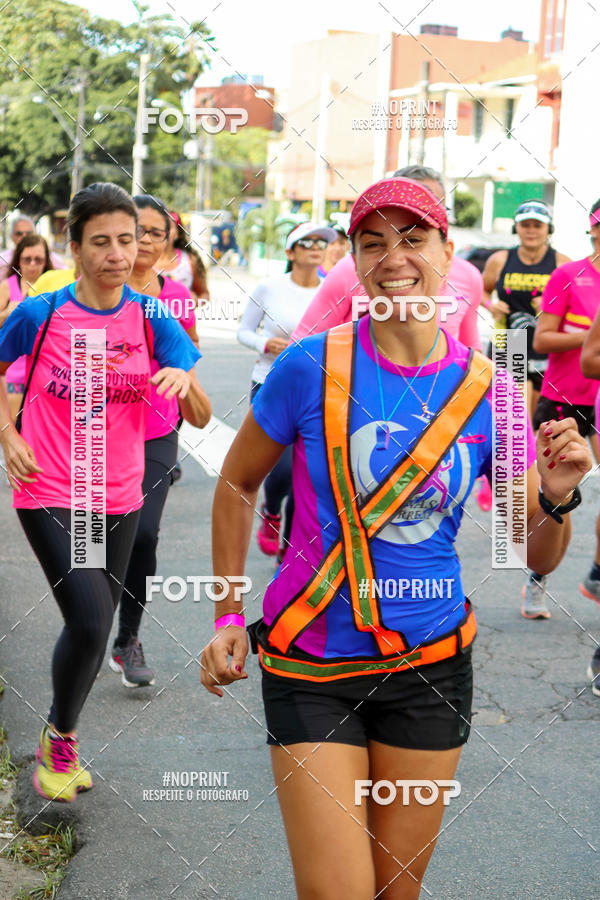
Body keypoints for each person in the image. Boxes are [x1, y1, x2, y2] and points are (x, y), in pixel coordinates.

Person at [201, 177, 591, 898]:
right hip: (311, 663)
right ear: (354, 261)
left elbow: (530, 550)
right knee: (339, 893)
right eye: (372, 243)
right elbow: (236, 482)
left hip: (431, 667)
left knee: (395, 891)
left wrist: (555, 496)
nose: (394, 258)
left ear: (448, 253)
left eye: (413, 239)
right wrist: (228, 612)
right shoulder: (309, 366)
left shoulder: (495, 392)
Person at [0, 182, 210, 803]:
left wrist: (181, 378)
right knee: (91, 620)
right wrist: (7, 433)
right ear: (74, 247)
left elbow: (189, 383)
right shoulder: (41, 313)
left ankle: (58, 735)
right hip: (48, 485)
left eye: (127, 239)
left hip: (114, 492)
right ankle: (60, 744)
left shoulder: (151, 317)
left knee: (94, 625)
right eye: (101, 242)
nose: (117, 253)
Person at [291, 165, 492, 510]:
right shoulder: (352, 269)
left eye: (429, 206)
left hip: (436, 413)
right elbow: (304, 340)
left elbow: (472, 347)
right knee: (305, 490)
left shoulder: (469, 276)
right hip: (350, 411)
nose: (396, 258)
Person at [109, 193, 203, 688]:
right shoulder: (97, 287)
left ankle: (128, 638)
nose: (144, 240)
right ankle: (89, 623)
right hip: (97, 432)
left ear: (168, 242)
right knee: (96, 540)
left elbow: (188, 357)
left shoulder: (177, 297)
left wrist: (184, 379)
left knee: (143, 533)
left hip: (157, 430)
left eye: (155, 233)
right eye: (137, 230)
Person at [517, 198, 600, 619]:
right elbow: (541, 340)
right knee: (557, 490)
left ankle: (597, 572)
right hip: (563, 398)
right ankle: (538, 578)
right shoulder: (569, 275)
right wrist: (590, 337)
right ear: (593, 230)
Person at [238, 221, 337, 561]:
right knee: (280, 470)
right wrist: (264, 344)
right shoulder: (269, 288)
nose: (315, 248)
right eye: (306, 242)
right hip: (270, 382)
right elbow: (243, 331)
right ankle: (271, 511)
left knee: (306, 475)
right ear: (290, 252)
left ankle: (290, 549)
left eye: (321, 243)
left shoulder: (331, 290)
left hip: (316, 389)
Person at [482, 200, 570, 422]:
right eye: (525, 225)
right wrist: (490, 305)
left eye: (537, 225)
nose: (531, 230)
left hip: (544, 342)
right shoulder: (500, 260)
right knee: (512, 420)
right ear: (516, 228)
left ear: (548, 229)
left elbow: (576, 306)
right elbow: (481, 290)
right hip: (508, 340)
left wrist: (552, 304)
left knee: (541, 421)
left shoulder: (562, 263)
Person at [0, 234, 53, 422]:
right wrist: (7, 313)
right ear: (18, 260)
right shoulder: (8, 287)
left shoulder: (56, 286)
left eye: (38, 260)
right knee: (15, 428)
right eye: (27, 259)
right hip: (15, 374)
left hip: (48, 375)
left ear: (46, 261)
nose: (32, 265)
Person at [155, 211, 210, 303]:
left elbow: (204, 294)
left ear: (177, 234)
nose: (164, 231)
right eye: (160, 227)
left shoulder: (189, 260)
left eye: (169, 227)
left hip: (182, 312)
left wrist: (195, 301)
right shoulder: (145, 260)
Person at [0, 215, 65, 278]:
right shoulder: (3, 260)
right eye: (19, 233)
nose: (24, 236)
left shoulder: (52, 258)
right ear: (12, 236)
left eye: (29, 233)